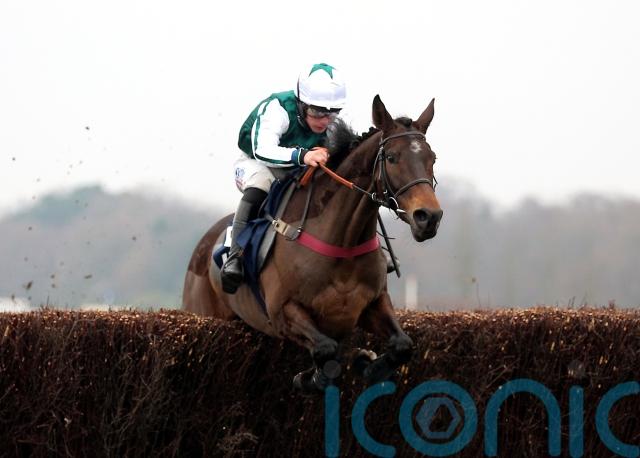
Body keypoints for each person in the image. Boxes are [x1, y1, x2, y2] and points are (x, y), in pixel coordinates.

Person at [221, 63, 346, 294]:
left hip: (297, 167)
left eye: (331, 113)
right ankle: (235, 256)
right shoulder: (277, 108)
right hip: (256, 163)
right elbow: (262, 150)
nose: (324, 121)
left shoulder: (328, 120)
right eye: (317, 112)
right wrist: (303, 155)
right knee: (260, 184)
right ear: (301, 103)